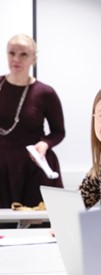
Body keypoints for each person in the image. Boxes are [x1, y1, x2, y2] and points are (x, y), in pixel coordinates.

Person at [0, 34, 65, 210]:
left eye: (23, 54)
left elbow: (58, 132)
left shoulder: (45, 93)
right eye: (11, 53)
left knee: (37, 224)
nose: (16, 59)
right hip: (2, 166)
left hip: (33, 166)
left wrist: (44, 144)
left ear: (33, 59)